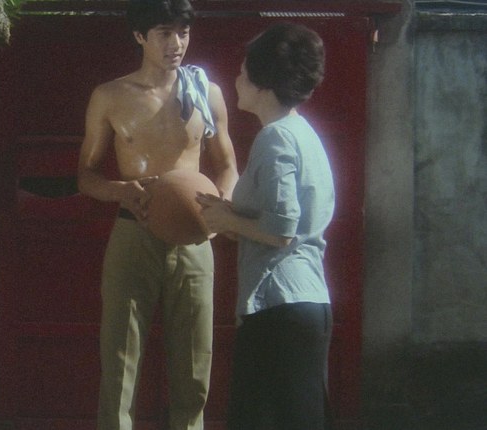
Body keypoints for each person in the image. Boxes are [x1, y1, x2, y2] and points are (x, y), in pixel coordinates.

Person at [77, 0, 238, 428]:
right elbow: (86, 176)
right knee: (120, 356)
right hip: (135, 229)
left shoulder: (206, 92)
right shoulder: (110, 96)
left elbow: (227, 164)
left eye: (183, 33)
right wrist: (119, 191)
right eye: (165, 33)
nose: (176, 44)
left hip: (194, 235)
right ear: (139, 36)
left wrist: (221, 209)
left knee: (195, 362)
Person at [197, 22, 334, 430]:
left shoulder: (275, 138)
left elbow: (282, 228)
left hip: (279, 306)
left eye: (243, 72)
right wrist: (229, 213)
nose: (237, 79)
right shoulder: (302, 132)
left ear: (264, 83)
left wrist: (224, 218)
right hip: (304, 302)